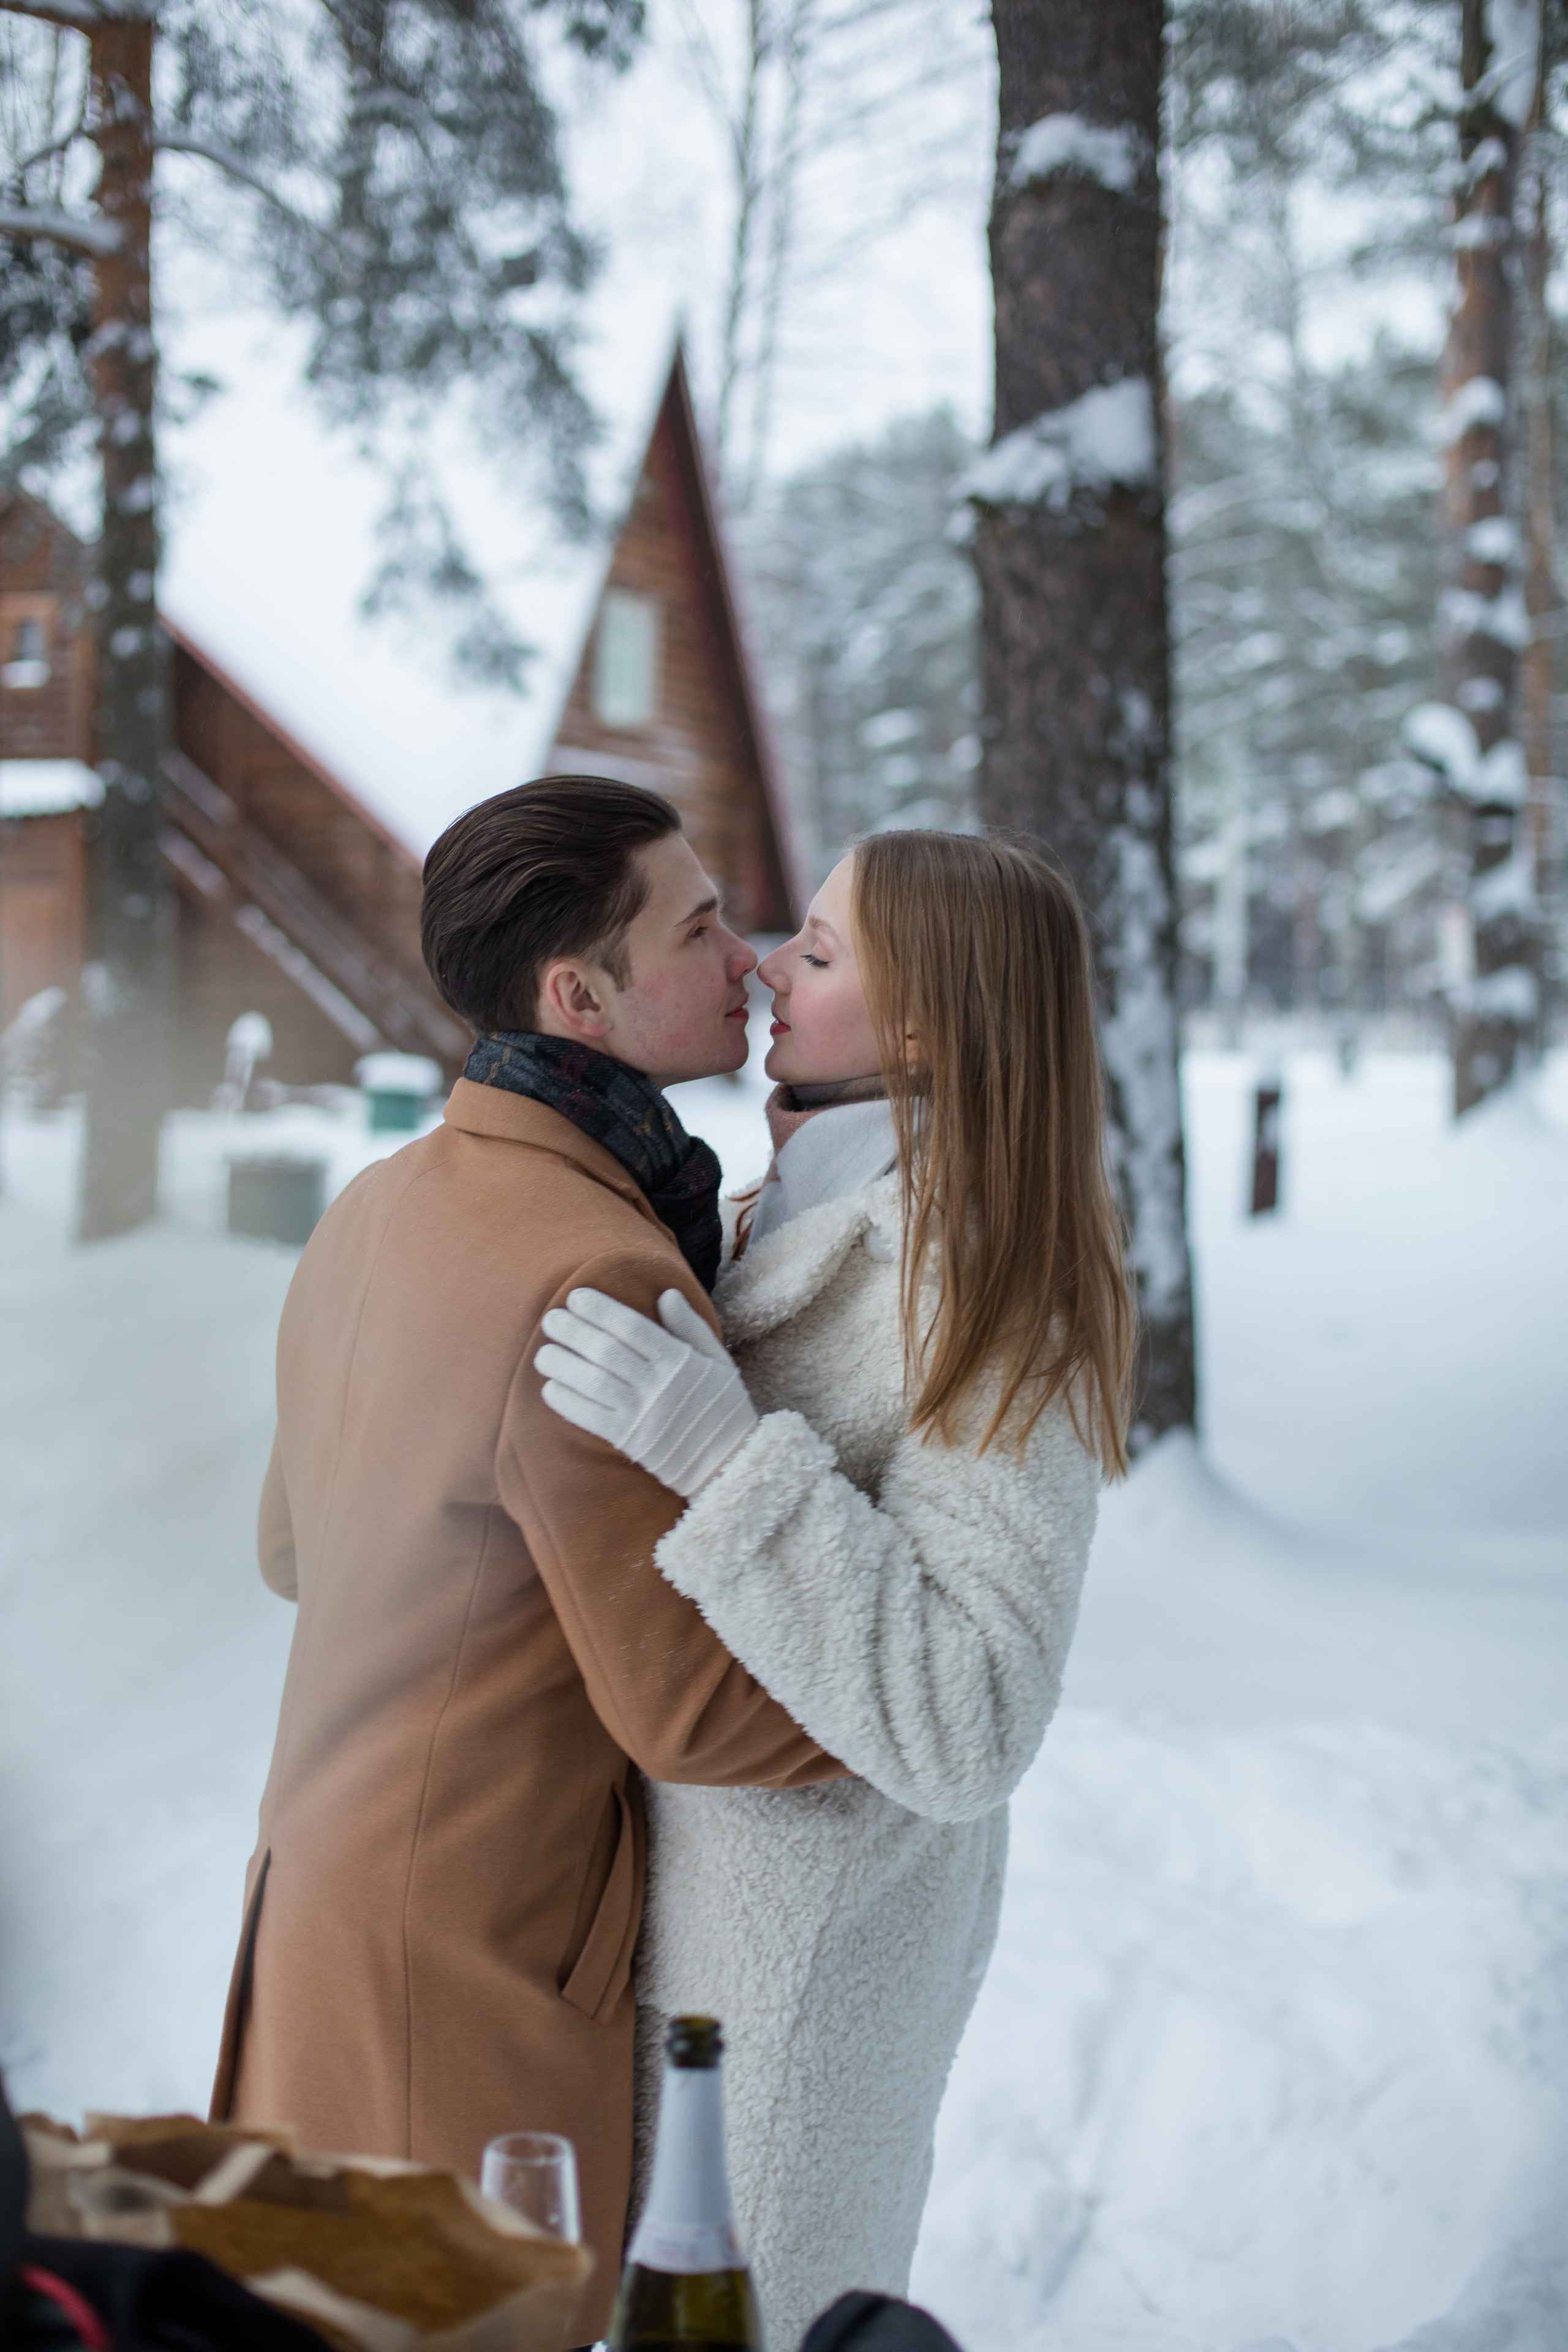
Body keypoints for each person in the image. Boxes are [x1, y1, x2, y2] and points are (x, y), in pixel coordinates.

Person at [211, 777, 845, 2345]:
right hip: (469, 1970)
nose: (752, 961)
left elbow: (294, 1545)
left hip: (312, 1913)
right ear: (581, 996)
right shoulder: (602, 1268)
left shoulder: (375, 1209)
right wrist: (905, 1689)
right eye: (700, 929)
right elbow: (695, 1716)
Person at [538, 829, 1136, 2350]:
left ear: (924, 1021)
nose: (762, 967)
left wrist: (725, 1463)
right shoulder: (781, 1203)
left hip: (799, 1992)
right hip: (673, 1947)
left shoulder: (992, 1285)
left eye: (814, 949)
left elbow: (972, 1721)